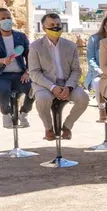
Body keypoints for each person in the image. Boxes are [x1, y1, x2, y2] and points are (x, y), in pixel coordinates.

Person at [29, 13, 90, 141]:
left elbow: (76, 70)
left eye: (58, 24)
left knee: (83, 98)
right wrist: (52, 87)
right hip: (45, 84)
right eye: (51, 25)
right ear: (44, 28)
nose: (55, 27)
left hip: (67, 83)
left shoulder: (71, 46)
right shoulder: (35, 47)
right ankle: (48, 128)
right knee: (43, 99)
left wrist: (69, 87)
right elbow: (34, 73)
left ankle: (67, 126)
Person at [0, 8, 33, 129]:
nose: (7, 20)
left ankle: (24, 113)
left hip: (20, 75)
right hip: (0, 75)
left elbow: (30, 56)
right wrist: (2, 61)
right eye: (3, 18)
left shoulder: (21, 37)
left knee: (33, 90)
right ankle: (6, 114)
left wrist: (27, 72)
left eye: (9, 18)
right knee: (3, 91)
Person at [85, 16, 107, 123]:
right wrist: (100, 71)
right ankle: (102, 109)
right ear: (104, 25)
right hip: (97, 73)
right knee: (98, 82)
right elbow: (90, 59)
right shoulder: (94, 39)